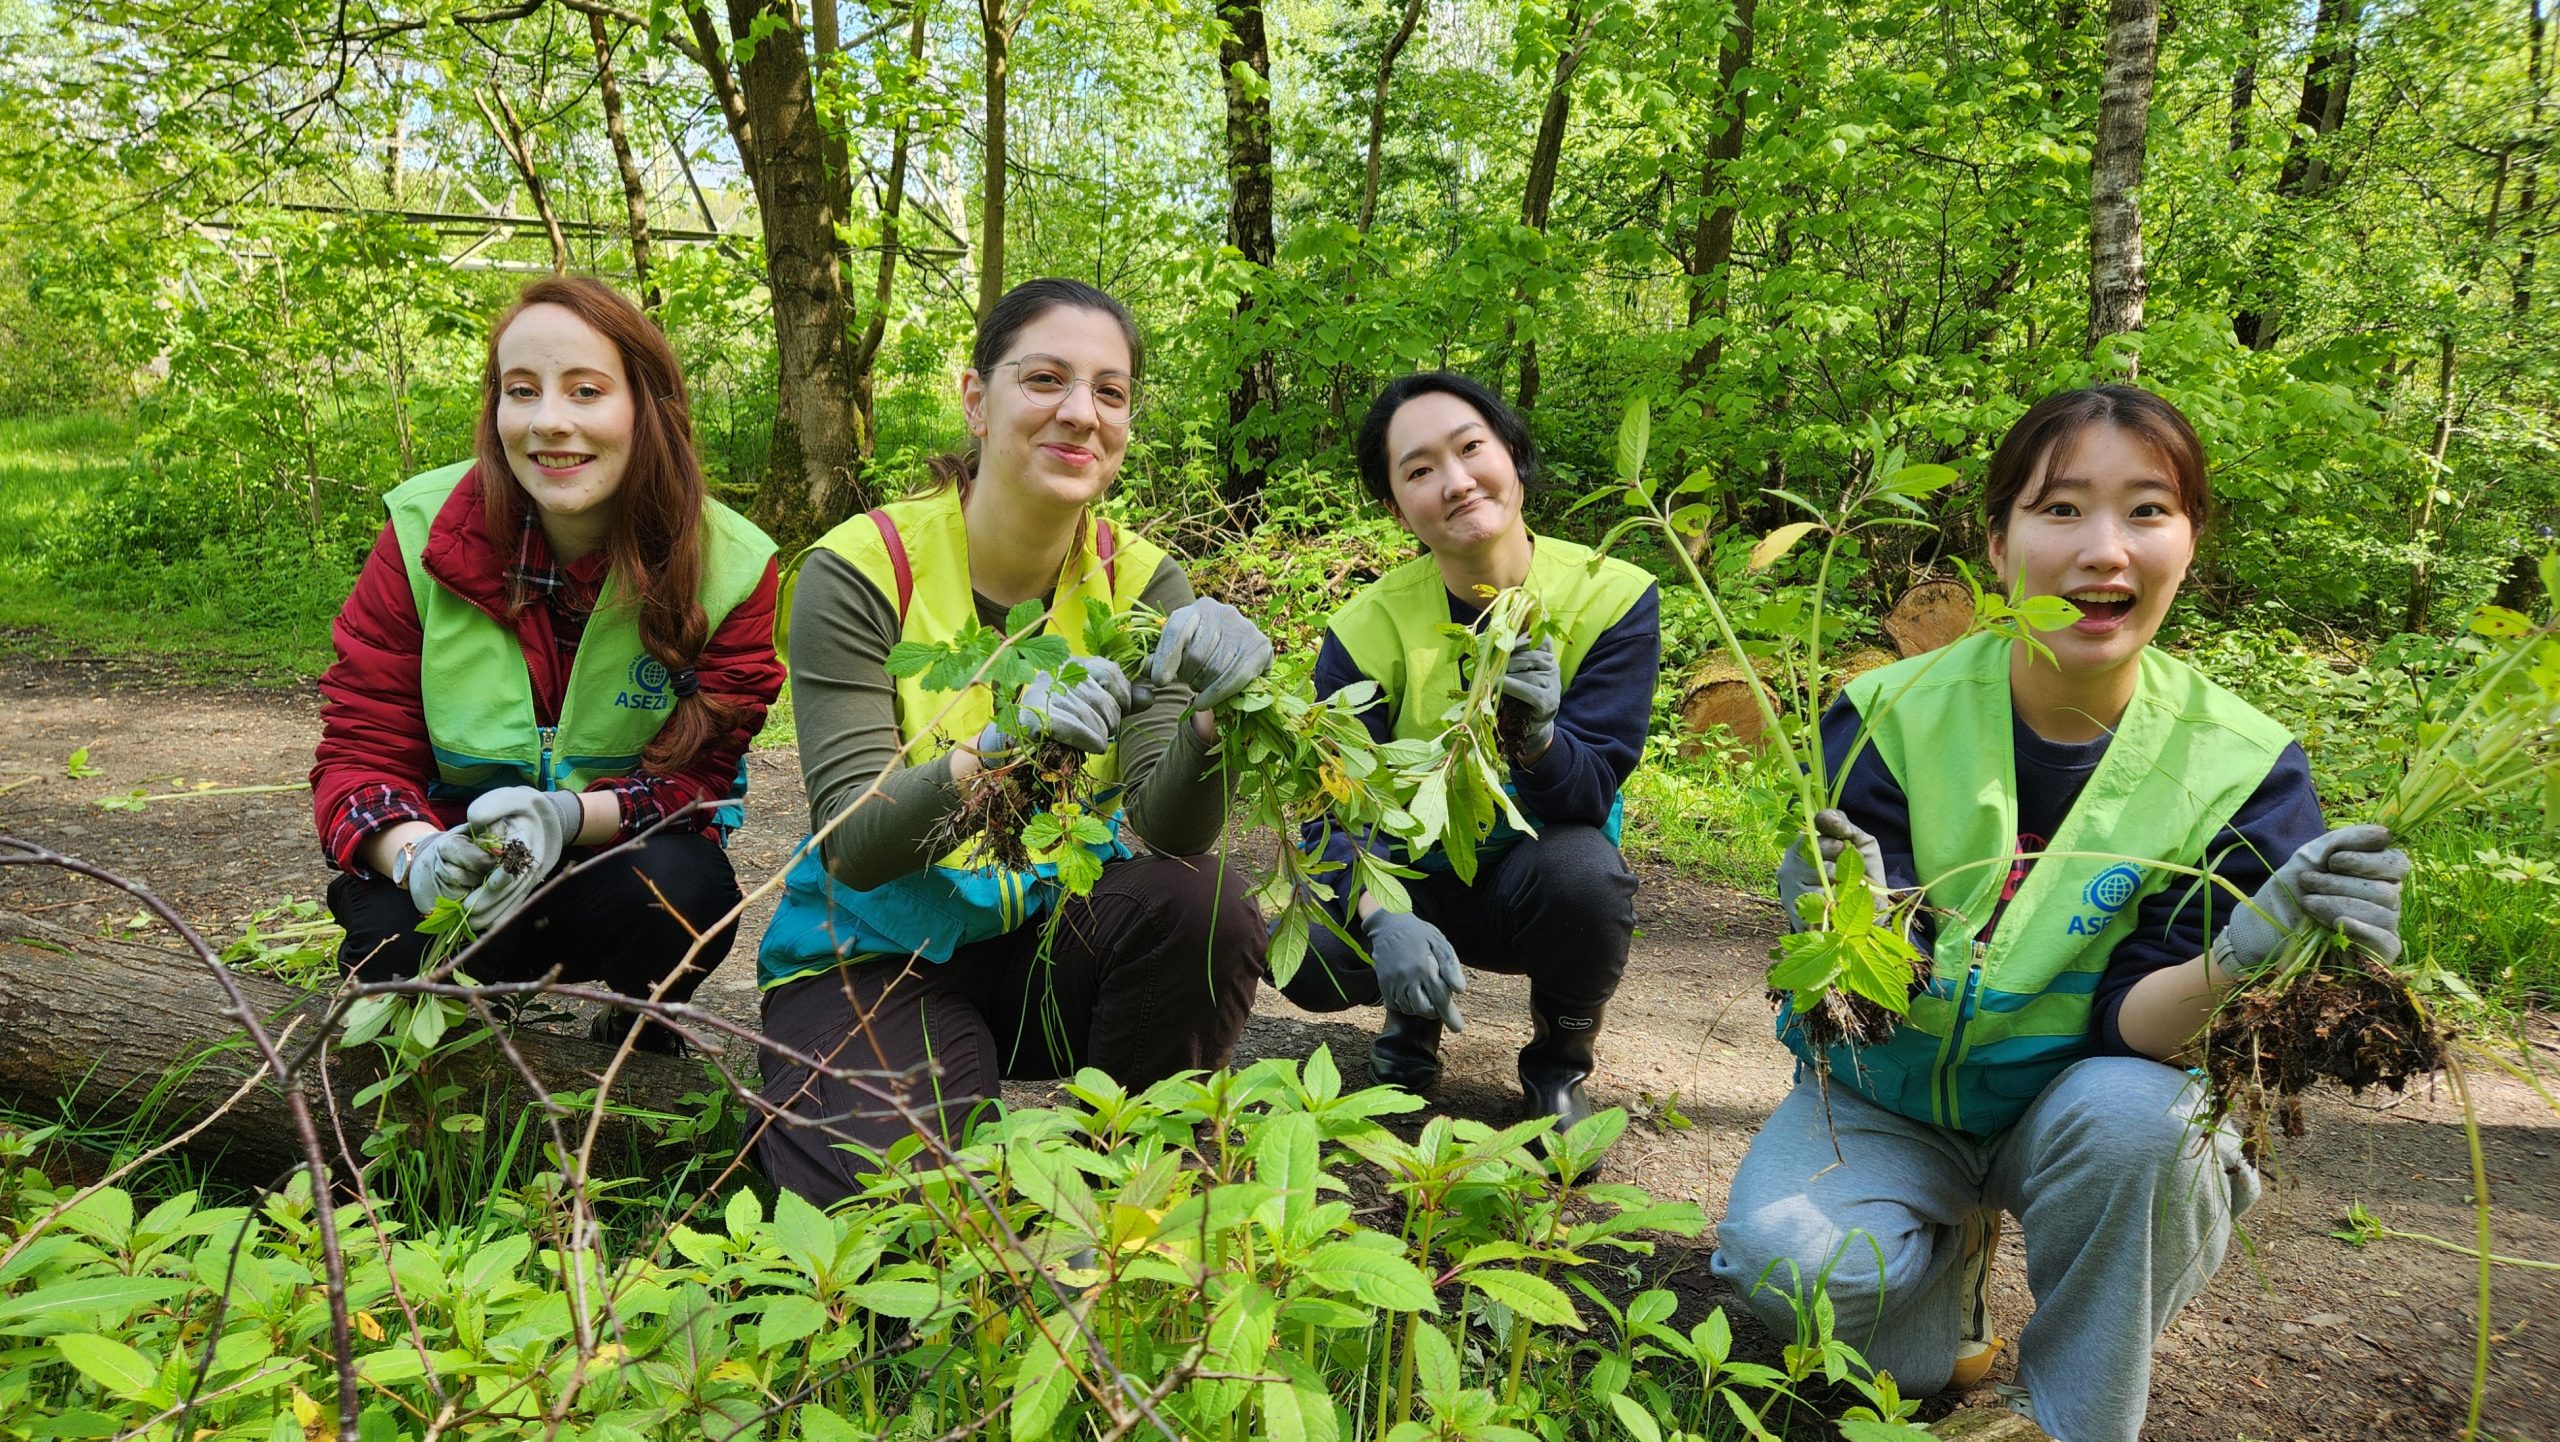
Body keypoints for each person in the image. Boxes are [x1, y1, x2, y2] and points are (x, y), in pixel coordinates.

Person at [1709, 386, 2409, 1442]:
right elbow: (1867, 992)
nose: (2102, 551)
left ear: (2188, 540)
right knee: (1797, 1271)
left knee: (2155, 1129)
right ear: (1997, 545)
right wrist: (1841, 917)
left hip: (2077, 1113)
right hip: (1885, 1102)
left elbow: (2135, 1026)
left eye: (2145, 511)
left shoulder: (2239, 766)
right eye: (2060, 509)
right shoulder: (1887, 717)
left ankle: (2064, 1412)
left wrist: (2245, 948)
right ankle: (1942, 1278)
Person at [751, 278, 1273, 1204]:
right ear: (974, 398)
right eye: (1045, 379)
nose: (1080, 413)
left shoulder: (1147, 583)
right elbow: (854, 845)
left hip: (1052, 946)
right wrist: (999, 745)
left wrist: (1209, 719)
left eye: (1110, 393)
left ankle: (1125, 1193)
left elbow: (1172, 827)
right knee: (904, 1232)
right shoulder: (859, 569)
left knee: (1207, 907)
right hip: (873, 953)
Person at [311, 276, 785, 1051]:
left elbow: (697, 782)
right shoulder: (420, 532)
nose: (549, 423)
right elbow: (360, 747)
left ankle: (640, 1022)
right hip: (459, 861)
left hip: (614, 865)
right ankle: (461, 1027)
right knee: (390, 938)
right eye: (521, 391)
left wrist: (565, 818)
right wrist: (415, 855)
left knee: (682, 893)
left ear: (647, 405)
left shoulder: (730, 564)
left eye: (587, 391)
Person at [1278, 371, 1660, 1139]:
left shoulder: (1609, 595)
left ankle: (1559, 1059)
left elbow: (1589, 794)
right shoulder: (1366, 627)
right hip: (1415, 876)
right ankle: (1409, 1017)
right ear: (1394, 507)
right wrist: (1381, 916)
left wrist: (1540, 739)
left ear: (1513, 455)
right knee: (1312, 952)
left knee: (1586, 877)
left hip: (1536, 870)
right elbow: (1333, 807)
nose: (1455, 482)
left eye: (1471, 448)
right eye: (1419, 470)